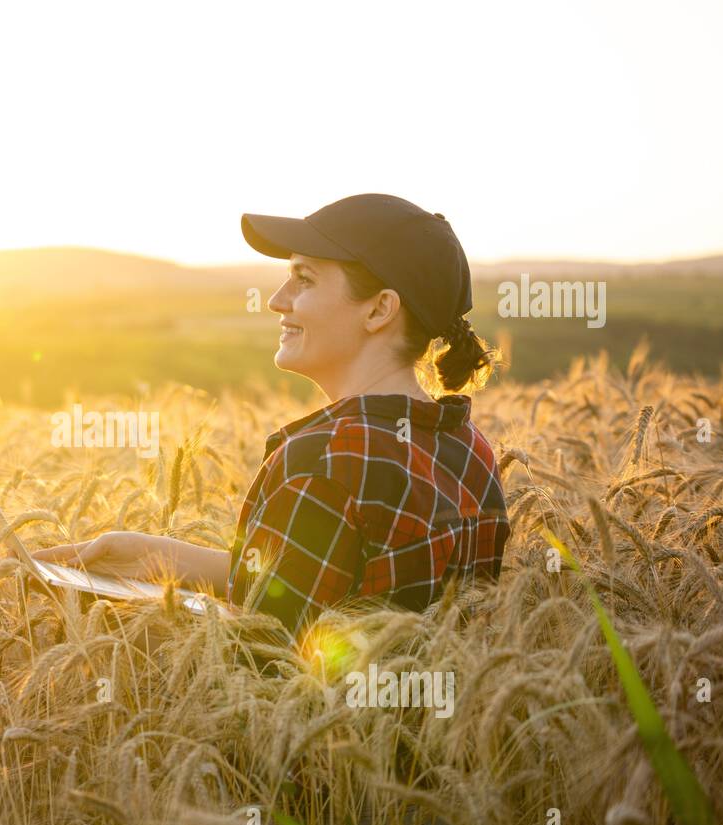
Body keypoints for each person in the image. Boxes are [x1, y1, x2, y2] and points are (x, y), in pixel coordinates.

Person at [31, 194, 510, 644]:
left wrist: (128, 628)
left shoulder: (326, 459)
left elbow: (263, 660)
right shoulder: (471, 448)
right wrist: (146, 557)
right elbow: (337, 585)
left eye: (304, 279)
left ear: (380, 309)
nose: (277, 300)